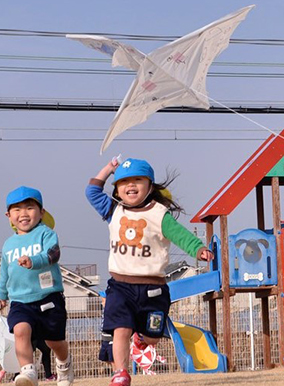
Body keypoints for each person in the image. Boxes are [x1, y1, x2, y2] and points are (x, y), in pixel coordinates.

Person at [85, 157, 213, 386]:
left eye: (137, 180)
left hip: (153, 288)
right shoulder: (113, 211)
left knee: (153, 336)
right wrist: (109, 169)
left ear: (150, 186)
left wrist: (198, 249)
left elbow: (181, 235)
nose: (130, 186)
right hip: (120, 286)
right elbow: (92, 192)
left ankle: (142, 340)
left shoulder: (159, 214)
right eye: (123, 182)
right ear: (117, 189)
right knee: (120, 328)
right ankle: (121, 373)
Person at [0, 186, 74, 386]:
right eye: (17, 209)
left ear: (41, 212)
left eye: (29, 207)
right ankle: (28, 371)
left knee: (54, 341)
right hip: (20, 300)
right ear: (9, 215)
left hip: (48, 297)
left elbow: (54, 254)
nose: (23, 213)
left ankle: (64, 364)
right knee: (21, 331)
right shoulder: (8, 245)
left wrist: (34, 261)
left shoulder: (46, 234)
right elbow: (4, 272)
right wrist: (1, 294)